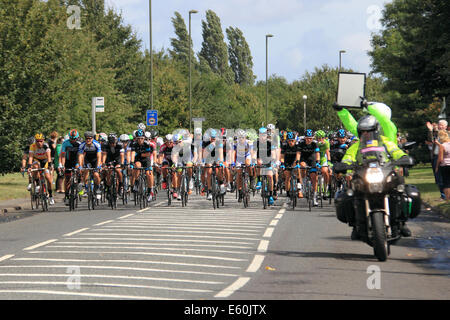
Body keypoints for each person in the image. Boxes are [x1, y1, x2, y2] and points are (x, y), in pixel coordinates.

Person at [340, 115, 412, 239]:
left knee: (400, 189)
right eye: (363, 131)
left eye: (369, 131)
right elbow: (348, 157)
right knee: (349, 195)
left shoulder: (385, 142)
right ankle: (355, 225)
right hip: (364, 175)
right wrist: (344, 164)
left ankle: (402, 222)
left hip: (383, 172)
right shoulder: (356, 146)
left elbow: (395, 151)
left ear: (376, 130)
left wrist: (403, 157)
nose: (366, 134)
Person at [426, 120, 448, 199]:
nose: (440, 126)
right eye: (439, 125)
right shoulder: (435, 134)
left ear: (445, 126)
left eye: (442, 125)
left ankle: (446, 194)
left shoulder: (447, 134)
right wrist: (430, 130)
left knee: (445, 176)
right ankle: (442, 194)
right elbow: (430, 140)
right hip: (436, 156)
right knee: (438, 176)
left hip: (445, 157)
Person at [435, 130, 450, 201]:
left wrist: (437, 166)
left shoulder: (442, 146)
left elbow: (440, 159)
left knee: (446, 183)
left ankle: (447, 198)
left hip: (445, 165)